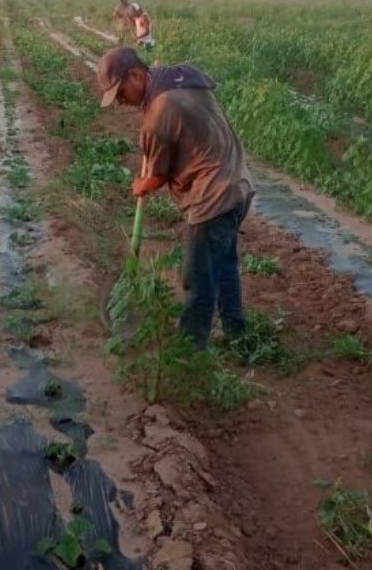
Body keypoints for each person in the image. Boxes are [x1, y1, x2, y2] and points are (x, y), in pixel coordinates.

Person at [97, 46, 254, 348]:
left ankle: (190, 349)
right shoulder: (177, 79)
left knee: (197, 279)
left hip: (213, 198)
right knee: (224, 265)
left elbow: (156, 176)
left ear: (136, 75)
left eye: (120, 93)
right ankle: (237, 332)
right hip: (239, 184)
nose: (120, 102)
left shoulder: (160, 112)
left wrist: (142, 185)